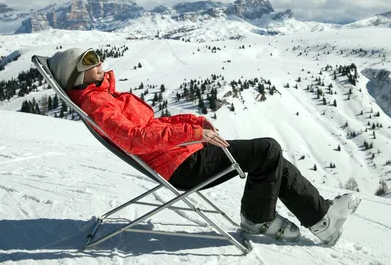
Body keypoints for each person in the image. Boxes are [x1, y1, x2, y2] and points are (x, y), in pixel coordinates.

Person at [49, 47, 360, 245]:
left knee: (270, 157)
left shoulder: (104, 96)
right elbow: (135, 139)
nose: (100, 61)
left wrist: (191, 122)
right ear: (75, 73)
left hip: (181, 153)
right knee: (267, 150)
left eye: (97, 54)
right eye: (89, 60)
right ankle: (258, 219)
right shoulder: (97, 103)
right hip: (181, 165)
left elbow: (151, 126)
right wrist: (191, 132)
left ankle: (323, 221)